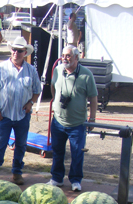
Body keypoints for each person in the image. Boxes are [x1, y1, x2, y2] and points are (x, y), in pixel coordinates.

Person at [0, 37, 41, 185]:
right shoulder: (1, 68)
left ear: (25, 52)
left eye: (20, 50)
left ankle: (17, 173)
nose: (16, 53)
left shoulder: (31, 70)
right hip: (4, 115)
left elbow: (37, 90)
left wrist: (31, 103)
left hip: (22, 115)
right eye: (14, 49)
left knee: (21, 145)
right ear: (11, 50)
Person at [47, 45, 98, 192]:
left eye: (68, 55)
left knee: (77, 152)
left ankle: (75, 180)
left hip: (77, 123)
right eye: (63, 55)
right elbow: (53, 88)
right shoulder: (57, 70)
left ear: (77, 57)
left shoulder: (86, 75)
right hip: (58, 121)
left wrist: (92, 118)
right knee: (57, 151)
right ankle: (57, 178)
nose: (65, 58)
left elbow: (93, 98)